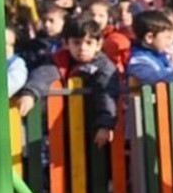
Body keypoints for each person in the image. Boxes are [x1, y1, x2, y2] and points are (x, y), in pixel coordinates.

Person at [14, 17, 119, 148]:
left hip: (93, 128)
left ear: (98, 44)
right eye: (76, 43)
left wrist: (105, 124)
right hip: (65, 128)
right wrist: (30, 94)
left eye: (89, 42)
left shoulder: (104, 67)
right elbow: (43, 75)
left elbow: (106, 95)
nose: (82, 48)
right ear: (66, 43)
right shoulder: (60, 60)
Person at [127, 10, 173, 85]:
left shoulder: (160, 55)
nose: (170, 42)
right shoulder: (139, 61)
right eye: (167, 37)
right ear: (150, 37)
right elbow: (157, 80)